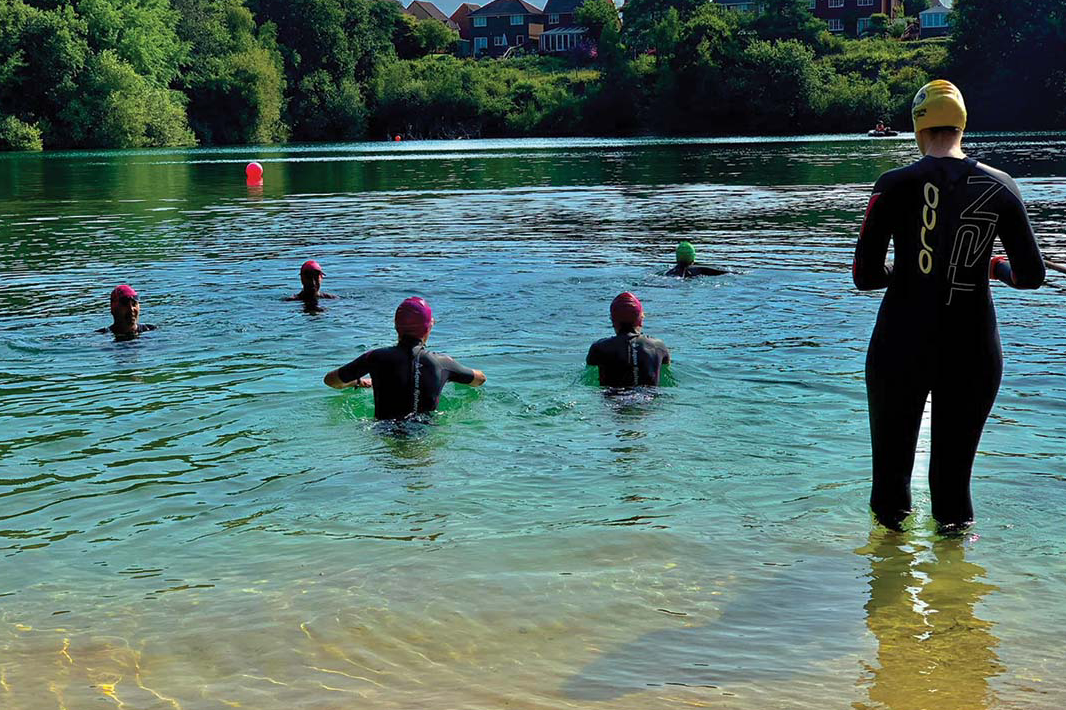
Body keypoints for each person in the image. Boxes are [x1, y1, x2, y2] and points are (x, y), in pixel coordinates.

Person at [852, 80, 1045, 531]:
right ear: (962, 125)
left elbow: (865, 276)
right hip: (972, 349)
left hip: (900, 344)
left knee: (890, 487)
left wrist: (906, 270)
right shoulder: (1001, 186)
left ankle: (888, 570)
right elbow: (1031, 276)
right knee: (953, 490)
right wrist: (993, 266)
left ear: (918, 128)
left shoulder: (892, 185)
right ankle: (957, 575)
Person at [323, 297, 486, 420]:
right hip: (424, 437)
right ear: (429, 327)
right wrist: (446, 376)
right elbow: (480, 379)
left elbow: (331, 381)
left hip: (382, 433)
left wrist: (357, 382)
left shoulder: (375, 357)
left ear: (396, 326)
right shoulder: (442, 363)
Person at [586, 292, 671, 387]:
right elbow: (667, 377)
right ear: (640, 320)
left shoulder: (599, 348)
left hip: (613, 395)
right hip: (648, 395)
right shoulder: (658, 346)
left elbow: (589, 379)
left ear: (613, 321)